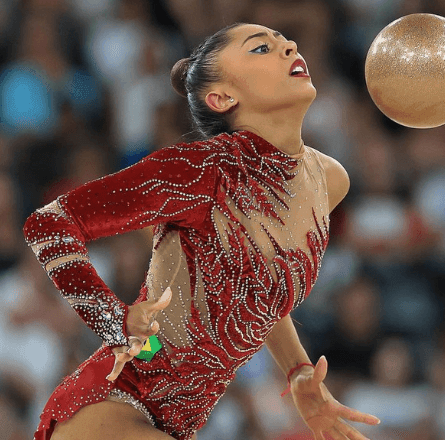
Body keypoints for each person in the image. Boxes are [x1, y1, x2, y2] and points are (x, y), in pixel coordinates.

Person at [23, 22, 380, 440]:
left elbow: (257, 293)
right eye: (262, 48)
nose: (289, 47)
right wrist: (114, 324)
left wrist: (299, 372)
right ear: (223, 97)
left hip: (180, 424)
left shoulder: (328, 181)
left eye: (286, 42)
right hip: (113, 403)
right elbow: (48, 224)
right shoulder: (202, 171)